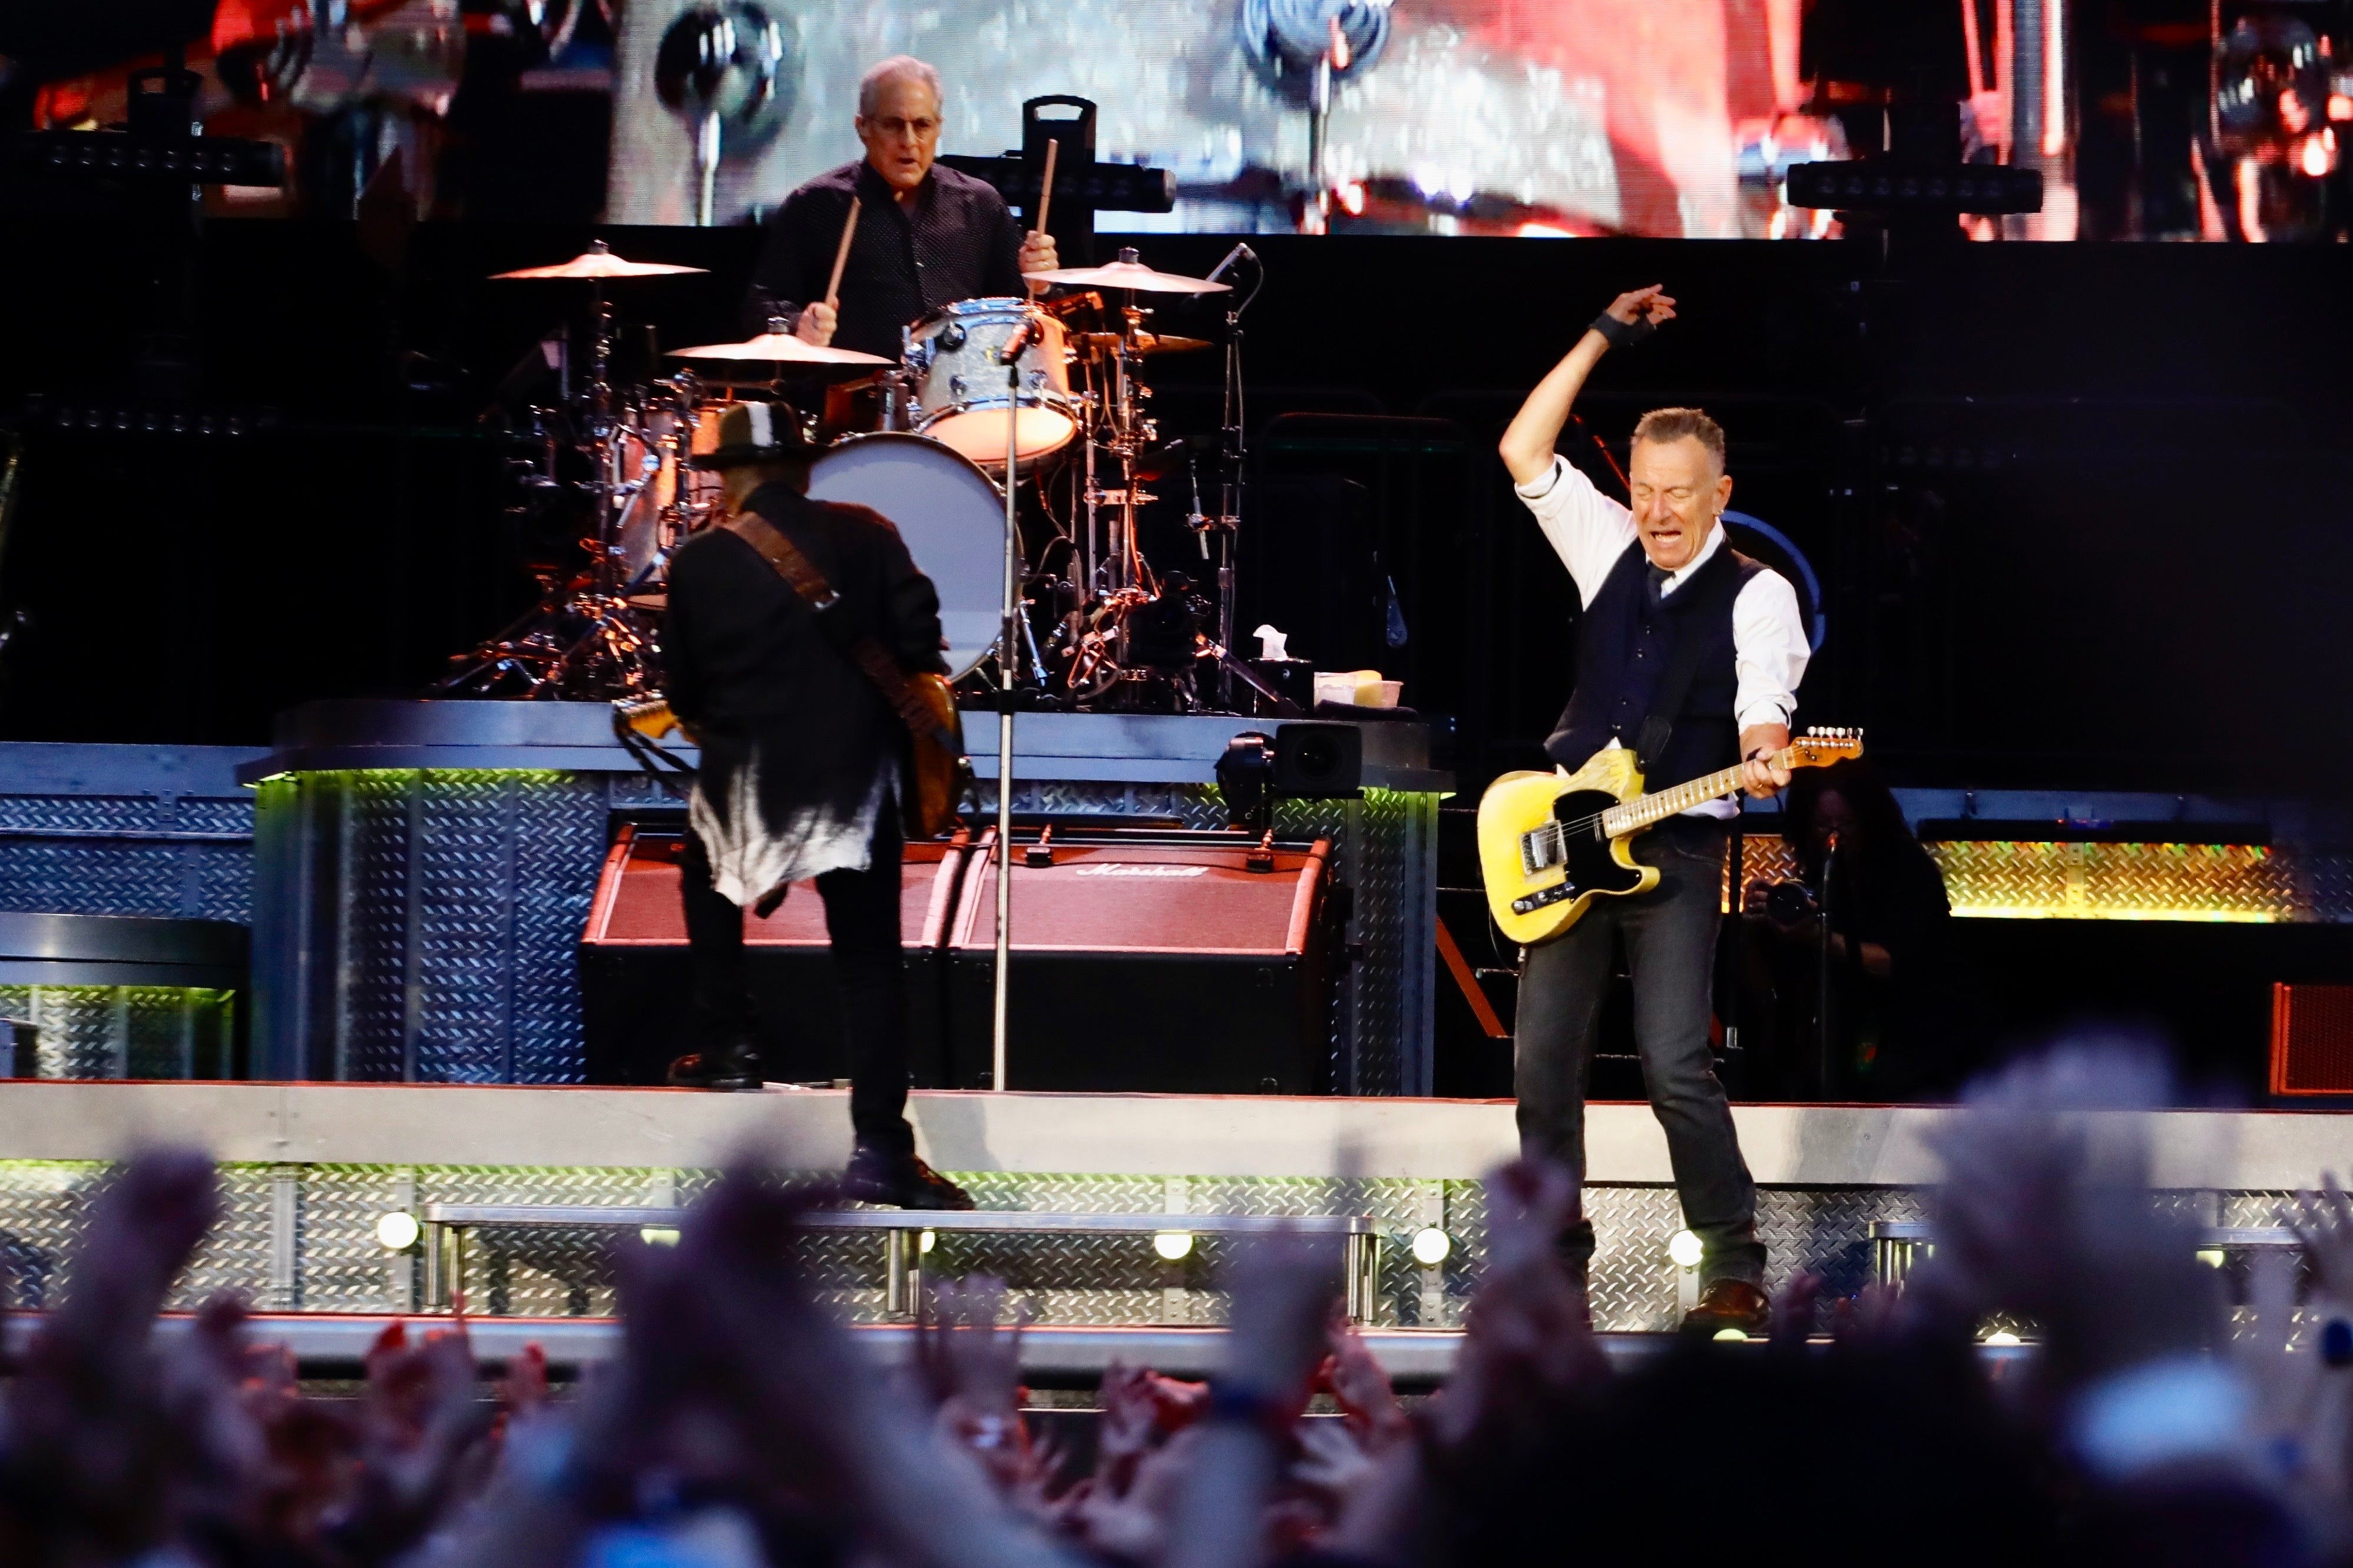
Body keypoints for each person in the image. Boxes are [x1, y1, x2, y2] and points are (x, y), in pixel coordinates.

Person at [1495, 285, 1813, 1336]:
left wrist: (1767, 754)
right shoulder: (1603, 546)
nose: (1660, 510)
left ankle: (1734, 1265)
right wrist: (1601, 335)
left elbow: (1767, 706)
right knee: (1543, 1067)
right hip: (1569, 837)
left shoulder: (1759, 593)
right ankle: (1552, 1270)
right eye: (1645, 488)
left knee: (1676, 1060)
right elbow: (1522, 447)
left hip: (1673, 847)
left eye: (1680, 492)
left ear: (1722, 492)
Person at [661, 399, 972, 1210]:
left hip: (745, 781)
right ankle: (879, 1147)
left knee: (703, 872)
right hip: (848, 778)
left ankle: (728, 1037)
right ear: (804, 468)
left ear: (727, 478)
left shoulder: (695, 563)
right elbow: (916, 642)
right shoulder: (867, 531)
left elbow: (683, 695)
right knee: (867, 964)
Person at [742, 55, 1058, 360]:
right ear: (863, 127)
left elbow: (1022, 310)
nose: (909, 141)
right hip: (853, 401)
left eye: (922, 125)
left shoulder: (980, 205)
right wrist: (799, 327)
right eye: (893, 125)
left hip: (955, 400)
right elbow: (760, 304)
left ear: (938, 128)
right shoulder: (817, 204)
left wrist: (1040, 283)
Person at [1744, 757, 1963, 1100]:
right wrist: (1761, 925)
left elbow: (1898, 964)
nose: (1834, 838)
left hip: (1910, 1043)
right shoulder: (1816, 874)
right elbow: (1766, 996)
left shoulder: (1908, 871)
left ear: (1869, 820)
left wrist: (1819, 937)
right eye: (1822, 826)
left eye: (1845, 824)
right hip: (1835, 1040)